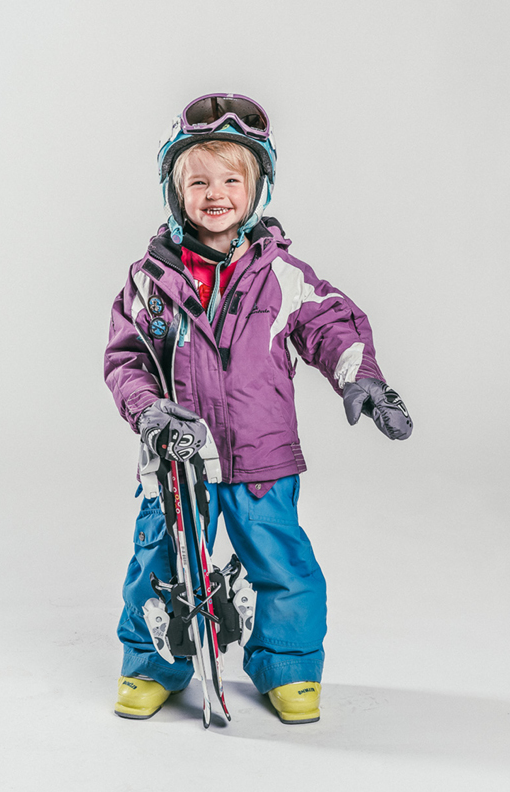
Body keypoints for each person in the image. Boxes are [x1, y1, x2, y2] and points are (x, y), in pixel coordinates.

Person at [104, 93, 412, 724]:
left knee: (283, 563)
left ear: (258, 189)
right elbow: (125, 358)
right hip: (178, 457)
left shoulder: (281, 276)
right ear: (173, 191)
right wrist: (150, 413)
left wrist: (362, 378)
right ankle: (153, 664)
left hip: (263, 455)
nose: (214, 194)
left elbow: (331, 325)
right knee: (159, 562)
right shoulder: (149, 280)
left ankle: (289, 665)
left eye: (231, 180)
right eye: (197, 181)